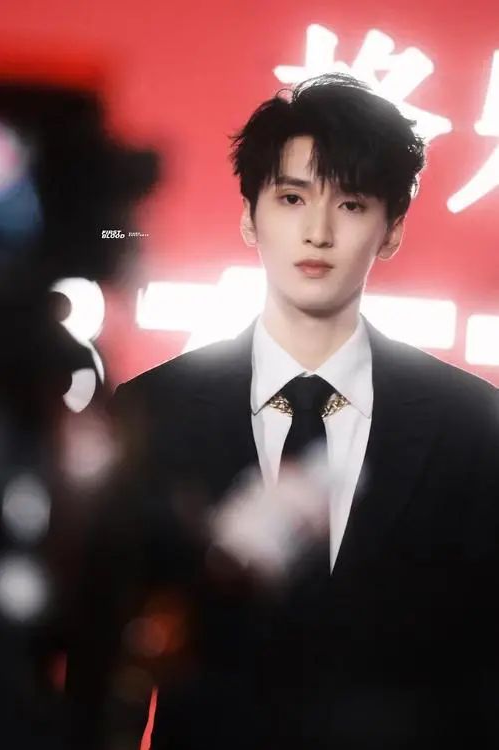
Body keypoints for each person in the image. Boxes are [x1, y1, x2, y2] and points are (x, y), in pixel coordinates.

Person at [97, 74, 499, 749]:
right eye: (291, 198)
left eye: (351, 204)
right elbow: (108, 673)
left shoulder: (473, 426)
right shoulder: (151, 411)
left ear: (392, 230)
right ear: (249, 215)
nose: (317, 232)